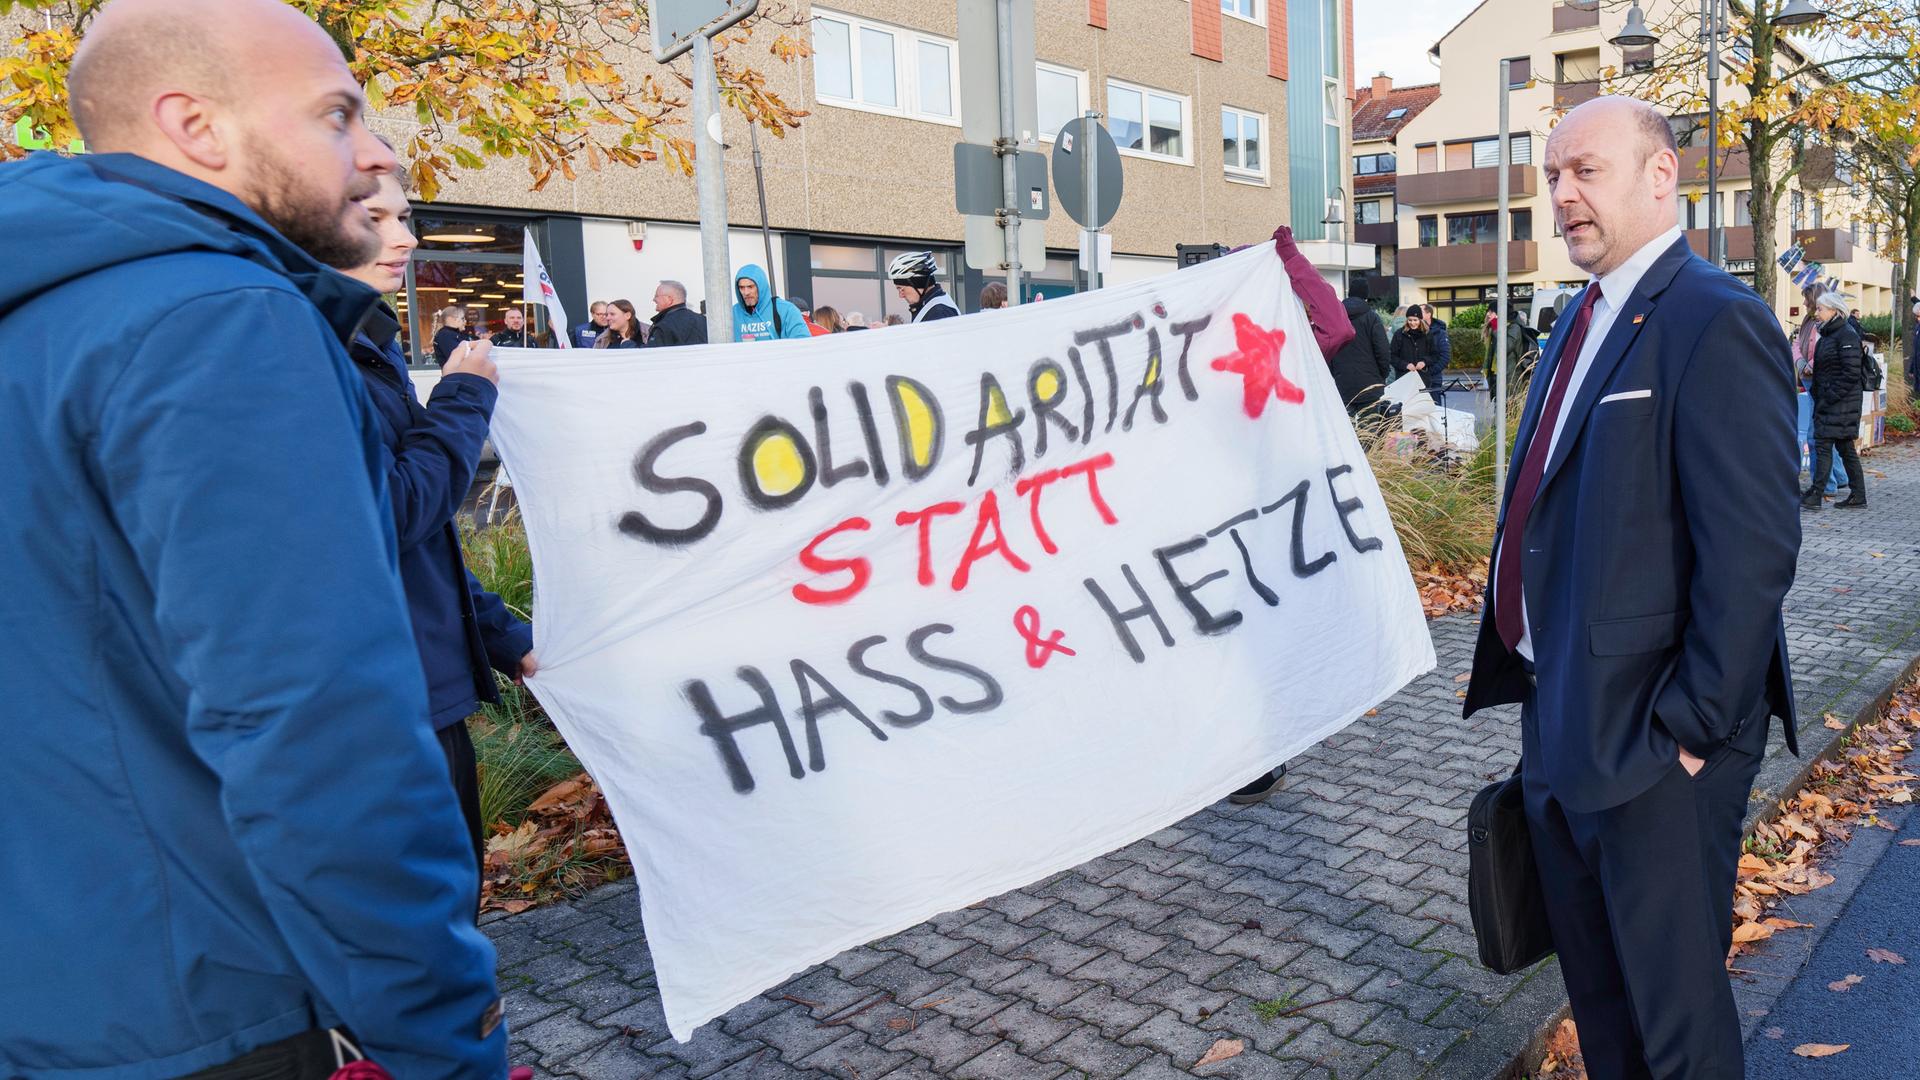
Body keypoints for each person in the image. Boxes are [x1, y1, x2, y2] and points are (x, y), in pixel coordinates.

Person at [0, 0, 506, 1076]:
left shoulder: (42, 312)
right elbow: (316, 727)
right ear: (197, 128)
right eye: (337, 115)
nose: (373, 152)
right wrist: (444, 1033)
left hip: (67, 986)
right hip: (223, 992)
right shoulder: (223, 317)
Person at [1462, 97, 1799, 1080]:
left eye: (1586, 171)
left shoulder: (1714, 320)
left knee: (1675, 1035)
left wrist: (1688, 735)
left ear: (1662, 179)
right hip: (1563, 732)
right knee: (1607, 1020)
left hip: (1654, 752)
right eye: (1552, 176)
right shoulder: (1581, 317)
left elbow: (1753, 552)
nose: (1562, 195)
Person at [329, 157, 537, 874]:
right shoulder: (317, 356)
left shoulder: (369, 345)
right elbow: (389, 512)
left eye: (405, 217)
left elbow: (423, 547)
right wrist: (463, 399)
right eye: (375, 216)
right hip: (383, 704)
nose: (406, 238)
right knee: (429, 917)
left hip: (417, 686)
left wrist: (504, 636)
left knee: (451, 900)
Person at [1231, 225, 1356, 806]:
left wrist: (1286, 259)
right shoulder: (1245, 348)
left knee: (1254, 632)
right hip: (1250, 511)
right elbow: (1337, 325)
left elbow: (1337, 327)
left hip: (1269, 509)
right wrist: (1289, 258)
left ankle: (1253, 755)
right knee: (1252, 632)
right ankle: (1251, 756)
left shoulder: (1282, 346)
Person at [1804, 291, 1868, 510]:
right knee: (1844, 448)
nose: (1817, 313)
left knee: (1825, 445)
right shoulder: (1830, 334)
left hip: (1839, 403)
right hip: (1833, 401)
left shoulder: (1846, 335)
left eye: (1820, 309)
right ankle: (1857, 495)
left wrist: (1827, 397)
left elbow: (1850, 373)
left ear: (1834, 310)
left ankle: (1818, 493)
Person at [1328, 284, 1394, 414]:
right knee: (1369, 428)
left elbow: (1329, 346)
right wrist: (1382, 374)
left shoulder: (1336, 317)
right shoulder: (1372, 318)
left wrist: (1334, 373)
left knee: (1346, 428)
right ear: (1366, 297)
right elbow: (1382, 350)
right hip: (1370, 383)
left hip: (1343, 383)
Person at [732, 263, 810, 341]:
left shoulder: (786, 310)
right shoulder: (732, 314)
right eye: (741, 287)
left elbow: (803, 344)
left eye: (750, 287)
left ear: (761, 286)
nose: (746, 292)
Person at [888, 251, 960, 322]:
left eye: (901, 289)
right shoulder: (931, 305)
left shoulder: (938, 312)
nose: (901, 295)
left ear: (918, 284)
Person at [1389, 305, 1446, 392]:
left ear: (1420, 319)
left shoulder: (1427, 334)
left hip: (1423, 379)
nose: (1412, 323)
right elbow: (1392, 356)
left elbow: (1435, 355)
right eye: (1410, 320)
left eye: (1415, 320)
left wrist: (1424, 362)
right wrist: (1405, 365)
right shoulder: (1399, 334)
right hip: (1403, 379)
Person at [647, 280, 707, 347]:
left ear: (669, 299)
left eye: (656, 296)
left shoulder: (664, 326)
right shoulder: (704, 321)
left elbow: (652, 354)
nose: (654, 299)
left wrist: (633, 344)